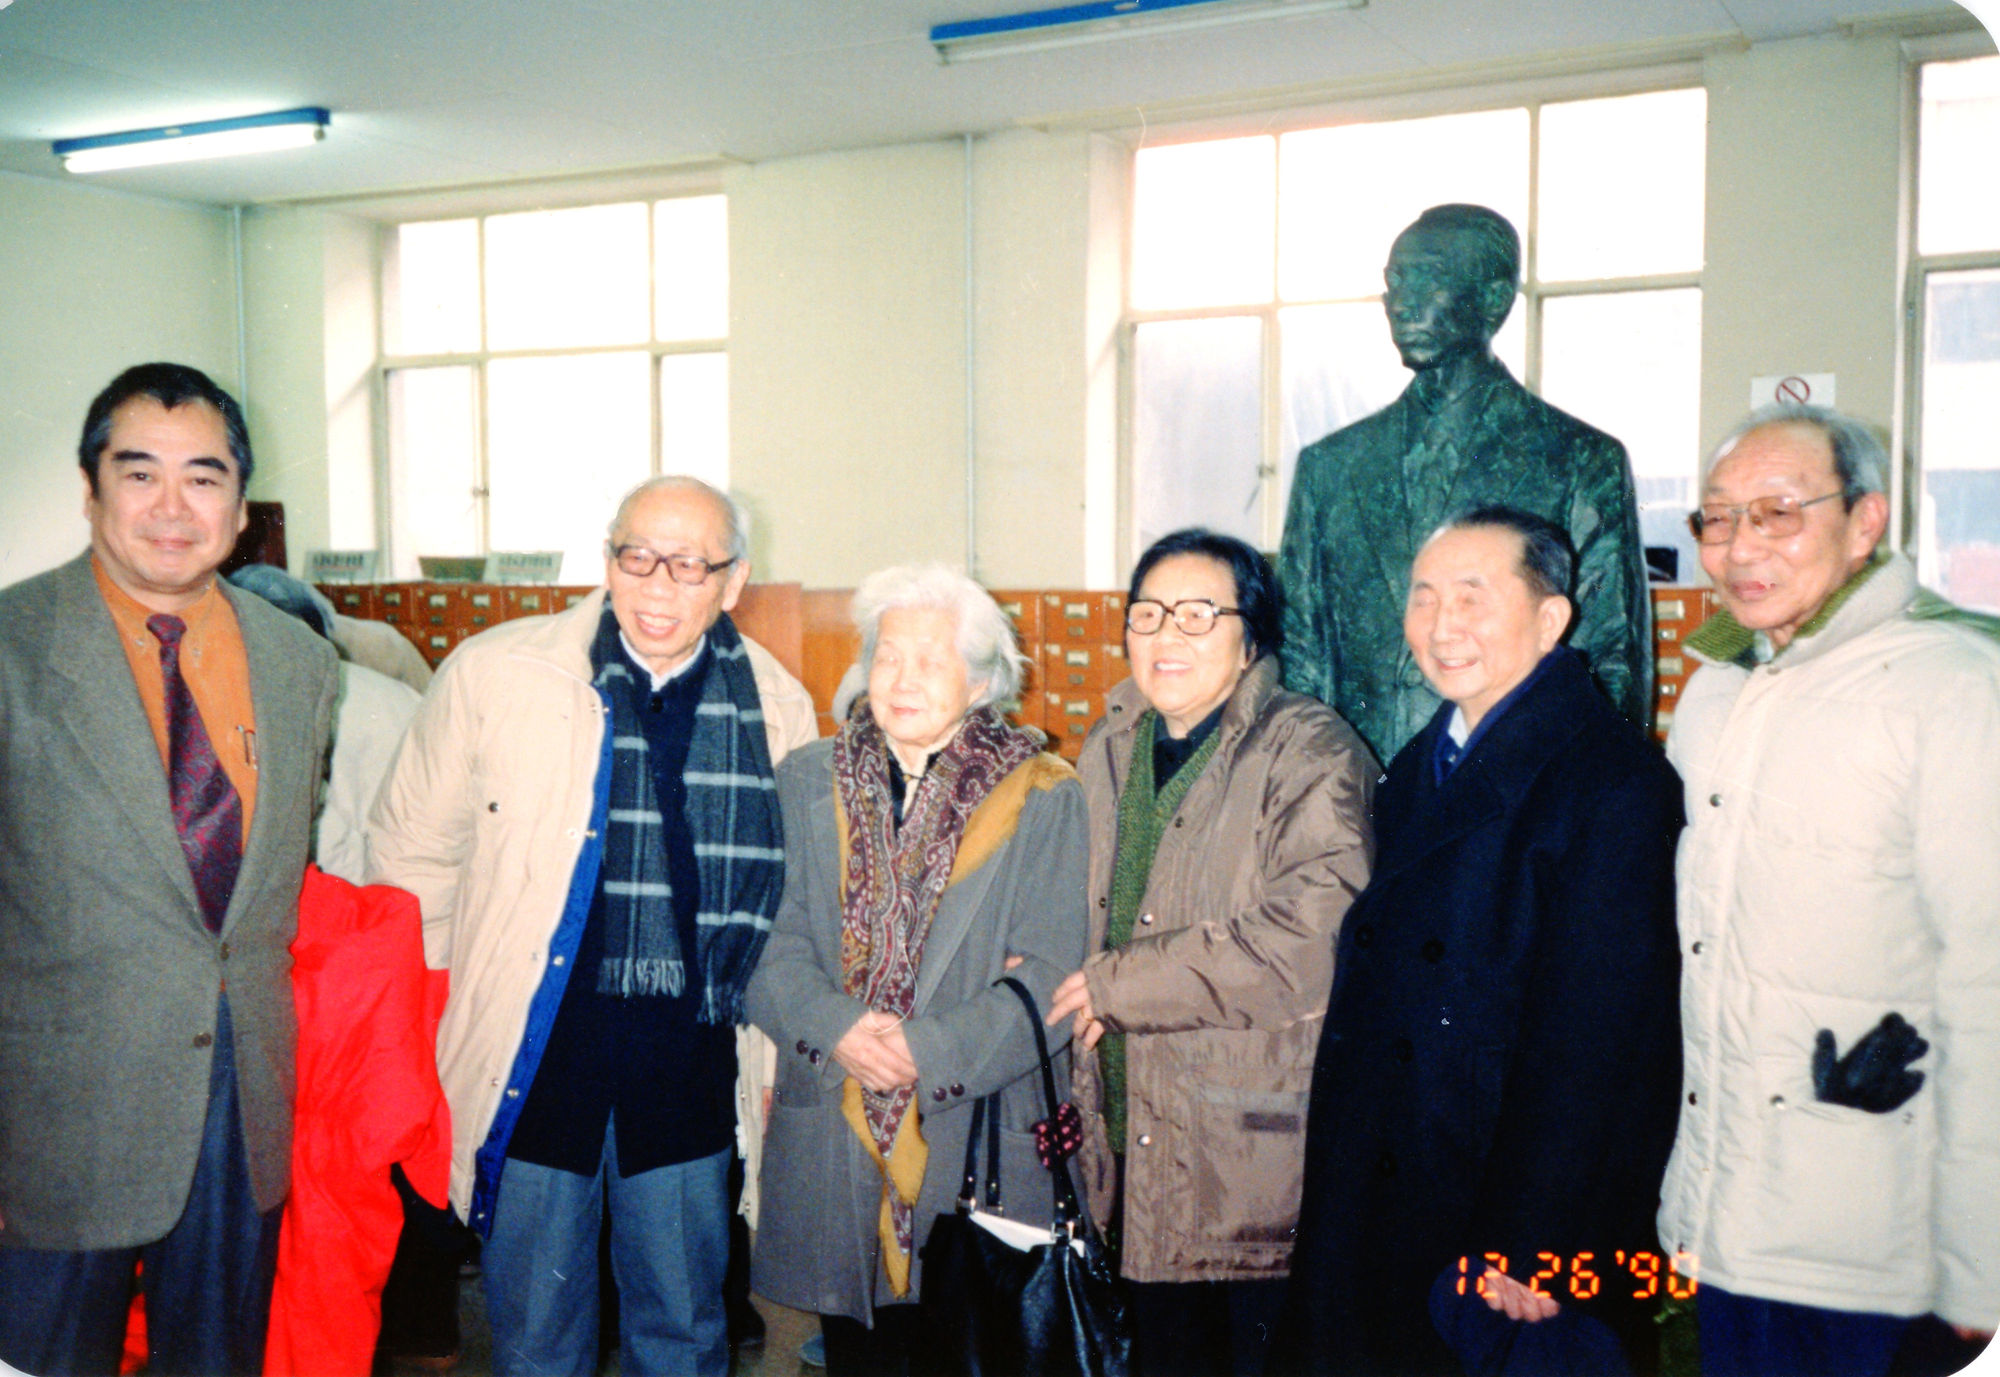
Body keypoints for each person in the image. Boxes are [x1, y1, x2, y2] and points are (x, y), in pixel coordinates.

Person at [368, 475, 817, 1376]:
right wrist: (444, 1021)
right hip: (533, 1062)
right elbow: (408, 861)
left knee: (685, 1327)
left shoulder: (776, 704)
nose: (658, 586)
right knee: (534, 1330)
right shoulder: (500, 673)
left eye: (690, 566)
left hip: (688, 1067)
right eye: (636, 557)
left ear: (733, 582)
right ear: (607, 557)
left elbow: (788, 906)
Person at [1279, 507, 1684, 1377]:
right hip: (1394, 1170)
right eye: (1423, 598)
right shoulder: (1419, 767)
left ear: (1551, 618)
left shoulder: (1612, 781)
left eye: (1473, 596)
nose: (1441, 624)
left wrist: (1535, 1239)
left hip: (1500, 1211)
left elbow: (1598, 1041)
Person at [0, 362, 339, 1374]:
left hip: (240, 1105)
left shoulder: (299, 661)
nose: (172, 507)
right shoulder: (13, 645)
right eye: (139, 472)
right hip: (52, 1121)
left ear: (241, 504)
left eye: (204, 477)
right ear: (90, 484)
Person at [1659, 405, 2000, 1377]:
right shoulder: (1717, 691)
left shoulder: (1952, 689)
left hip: (1878, 1248)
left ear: (1864, 522)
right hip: (1727, 1220)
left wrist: (1980, 1273)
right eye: (1716, 519)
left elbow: (1986, 986)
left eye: (1776, 512)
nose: (1736, 548)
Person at [1045, 528, 1376, 1377]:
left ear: (1251, 636)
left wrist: (1119, 985)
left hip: (1244, 1163)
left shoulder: (1309, 749)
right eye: (1148, 613)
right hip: (1132, 1139)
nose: (1167, 636)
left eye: (1198, 614)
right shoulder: (1111, 742)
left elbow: (1310, 940)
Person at [746, 564, 1090, 1377]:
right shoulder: (806, 778)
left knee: (965, 1348)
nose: (901, 678)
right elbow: (767, 941)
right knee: (859, 1352)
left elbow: (1050, 975)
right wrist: (840, 1030)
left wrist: (919, 1051)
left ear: (980, 680)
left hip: (971, 1123)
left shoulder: (1045, 793)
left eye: (931, 659)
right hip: (837, 1118)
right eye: (888, 655)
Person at [1277, 203, 1652, 764]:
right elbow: (1299, 654)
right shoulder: (1331, 467)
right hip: (1353, 810)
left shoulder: (1577, 459)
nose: (1402, 301)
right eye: (1395, 281)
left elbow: (1611, 663)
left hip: (1511, 808)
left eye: (1428, 276)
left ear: (1496, 299)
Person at [226, 563, 422, 885]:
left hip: (349, 894)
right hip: (405, 889)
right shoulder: (394, 692)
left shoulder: (264, 710)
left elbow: (323, 846)